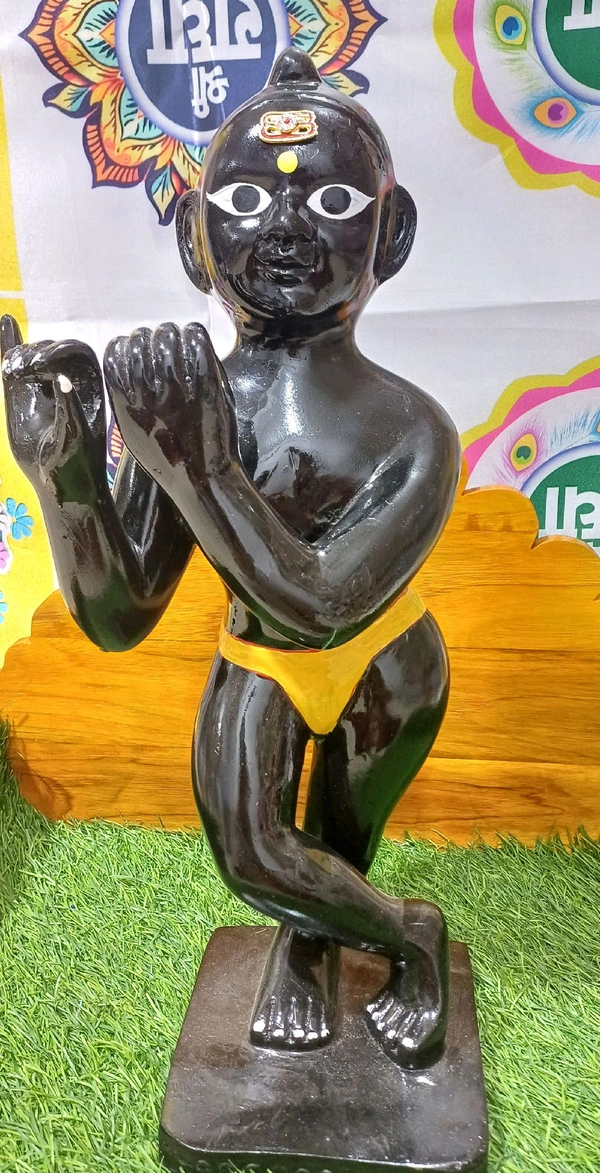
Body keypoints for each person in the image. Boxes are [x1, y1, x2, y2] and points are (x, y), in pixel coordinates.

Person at [1, 48, 461, 1066]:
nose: (286, 229)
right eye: (245, 200)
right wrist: (66, 471)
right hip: (257, 659)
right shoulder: (189, 403)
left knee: (338, 841)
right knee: (253, 855)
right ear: (194, 239)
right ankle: (406, 932)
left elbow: (324, 604)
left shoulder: (414, 429)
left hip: (387, 662)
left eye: (333, 201)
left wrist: (201, 469)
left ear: (392, 234)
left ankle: (320, 944)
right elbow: (120, 617)